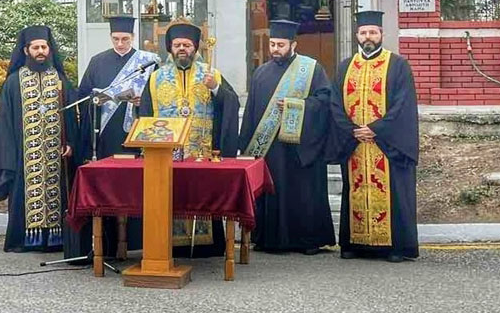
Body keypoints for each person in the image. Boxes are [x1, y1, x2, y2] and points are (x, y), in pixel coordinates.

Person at [0, 25, 87, 254]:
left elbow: (71, 116)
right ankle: (24, 241)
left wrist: (71, 143)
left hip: (56, 156)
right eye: (35, 47)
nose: (40, 51)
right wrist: (10, 153)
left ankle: (57, 240)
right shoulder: (13, 83)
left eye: (44, 47)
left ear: (50, 49)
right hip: (24, 156)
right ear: (26, 50)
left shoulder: (59, 80)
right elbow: (4, 123)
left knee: (59, 194)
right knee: (23, 195)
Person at [138, 19, 240, 258]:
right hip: (167, 154)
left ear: (195, 48)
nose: (181, 48)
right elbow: (144, 114)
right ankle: (169, 246)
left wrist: (216, 88)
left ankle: (208, 246)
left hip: (200, 151)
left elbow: (231, 103)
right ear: (170, 48)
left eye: (186, 44)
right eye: (177, 45)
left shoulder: (211, 73)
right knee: (170, 196)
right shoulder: (156, 78)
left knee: (201, 194)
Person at [330, 10, 419, 263]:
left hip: (387, 144)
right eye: (363, 32)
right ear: (356, 35)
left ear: (382, 34)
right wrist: (351, 130)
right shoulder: (346, 67)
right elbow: (335, 103)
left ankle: (395, 247)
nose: (368, 36)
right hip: (355, 144)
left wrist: (376, 129)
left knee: (392, 193)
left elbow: (403, 105)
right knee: (355, 192)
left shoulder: (398, 65)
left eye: (373, 32)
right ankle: (355, 244)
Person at [238, 19, 334, 255]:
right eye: (272, 44)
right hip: (270, 151)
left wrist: (296, 105)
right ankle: (269, 239)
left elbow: (324, 101)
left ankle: (307, 240)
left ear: (293, 44)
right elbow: (251, 110)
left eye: (280, 45)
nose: (275, 49)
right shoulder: (261, 73)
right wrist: (246, 144)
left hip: (300, 147)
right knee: (272, 193)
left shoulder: (311, 69)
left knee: (302, 193)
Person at [76, 15, 159, 255]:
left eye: (125, 39)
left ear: (133, 38)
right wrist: (99, 99)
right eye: (116, 39)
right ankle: (109, 244)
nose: (120, 43)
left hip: (135, 136)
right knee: (109, 187)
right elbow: (83, 97)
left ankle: (138, 242)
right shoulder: (97, 62)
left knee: (136, 188)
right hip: (106, 137)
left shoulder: (149, 63)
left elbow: (160, 97)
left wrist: (142, 101)